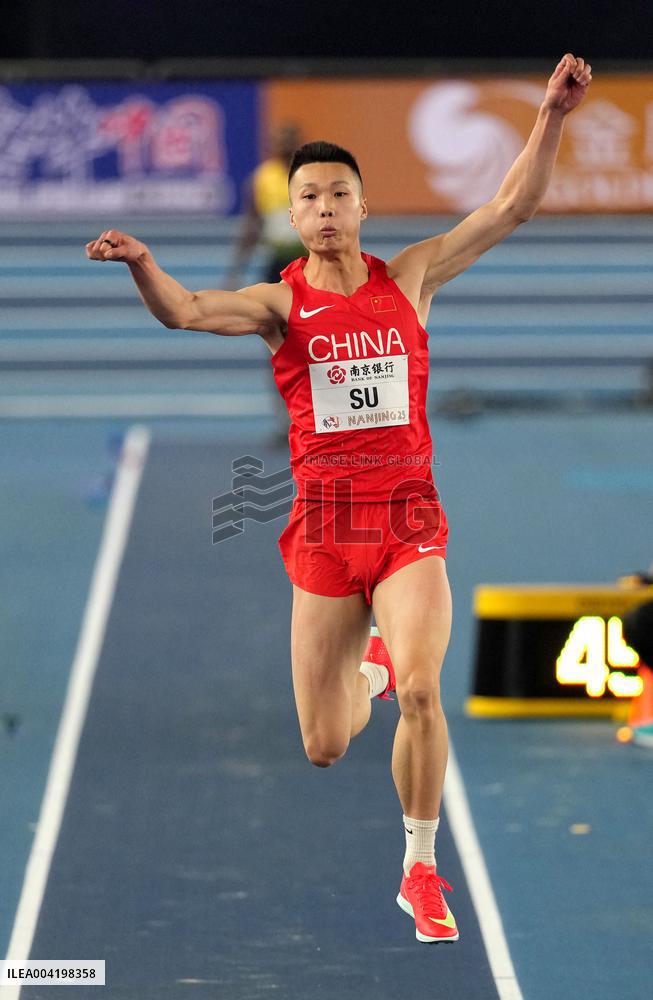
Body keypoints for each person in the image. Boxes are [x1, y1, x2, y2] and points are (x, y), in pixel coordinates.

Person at [86, 53, 592, 944]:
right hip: (325, 532)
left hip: (407, 521)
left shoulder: (413, 279)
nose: (324, 209)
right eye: (308, 197)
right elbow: (187, 312)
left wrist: (549, 114)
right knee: (324, 743)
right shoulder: (278, 306)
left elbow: (510, 205)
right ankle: (372, 671)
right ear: (294, 216)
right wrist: (143, 263)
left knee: (429, 694)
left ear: (363, 207)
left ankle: (420, 869)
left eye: (338, 195)